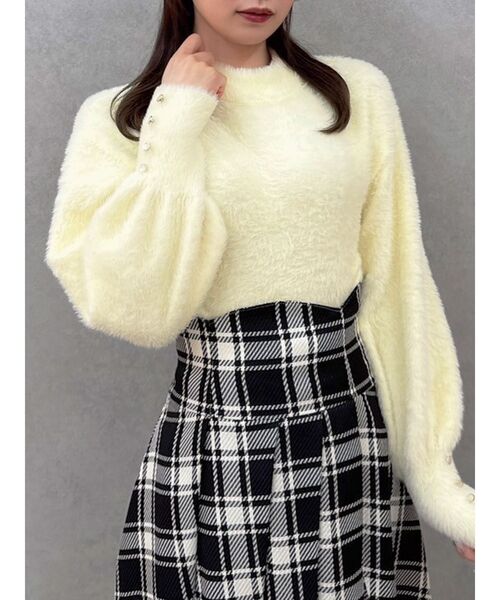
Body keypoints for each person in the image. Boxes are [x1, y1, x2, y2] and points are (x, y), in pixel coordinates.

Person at [44, 1, 475, 598]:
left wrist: (437, 480)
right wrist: (176, 124)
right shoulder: (122, 118)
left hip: (346, 434)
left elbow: (399, 288)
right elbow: (133, 309)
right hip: (216, 439)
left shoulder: (357, 94)